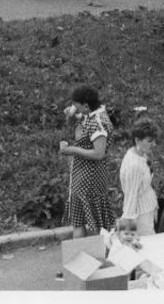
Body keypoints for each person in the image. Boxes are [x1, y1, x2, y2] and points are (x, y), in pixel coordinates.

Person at [59, 84, 115, 238]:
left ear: (85, 105)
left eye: (76, 105)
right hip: (82, 175)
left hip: (90, 177)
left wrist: (71, 150)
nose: (73, 107)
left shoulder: (97, 123)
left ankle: (93, 253)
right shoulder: (89, 115)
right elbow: (79, 129)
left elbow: (98, 153)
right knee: (80, 220)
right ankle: (85, 255)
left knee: (91, 222)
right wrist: (71, 116)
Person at [119, 118, 160, 236]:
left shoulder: (139, 153)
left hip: (147, 209)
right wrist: (125, 230)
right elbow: (131, 197)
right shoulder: (134, 165)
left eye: (154, 140)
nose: (154, 144)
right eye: (149, 141)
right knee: (148, 248)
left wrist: (154, 206)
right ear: (137, 140)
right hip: (140, 216)